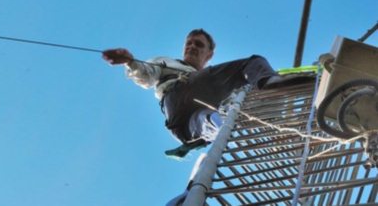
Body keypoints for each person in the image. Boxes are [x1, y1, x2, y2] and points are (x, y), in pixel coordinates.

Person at [102, 29, 311, 158]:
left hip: (185, 130)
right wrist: (130, 62)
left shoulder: (212, 78)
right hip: (178, 96)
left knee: (216, 121)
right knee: (252, 63)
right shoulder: (167, 62)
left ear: (209, 54)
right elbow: (146, 75)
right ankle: (269, 82)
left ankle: (265, 121)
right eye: (189, 43)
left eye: (198, 44)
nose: (192, 46)